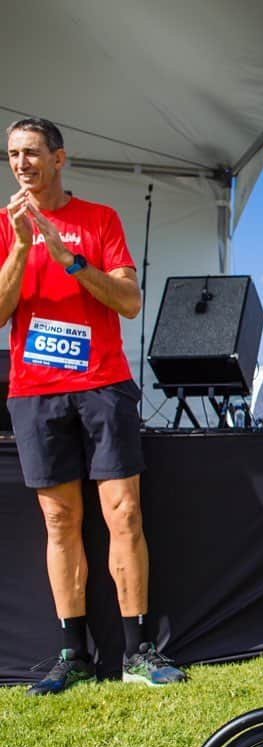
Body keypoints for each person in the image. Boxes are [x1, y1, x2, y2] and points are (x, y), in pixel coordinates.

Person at [0, 117, 185, 694]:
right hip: (35, 391)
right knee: (60, 520)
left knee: (123, 514)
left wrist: (72, 261)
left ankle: (137, 652)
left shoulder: (99, 219)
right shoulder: (7, 227)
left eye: (32, 152)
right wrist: (26, 249)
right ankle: (71, 652)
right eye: (12, 154)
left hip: (102, 385)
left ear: (59, 158)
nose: (21, 163)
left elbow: (130, 302)